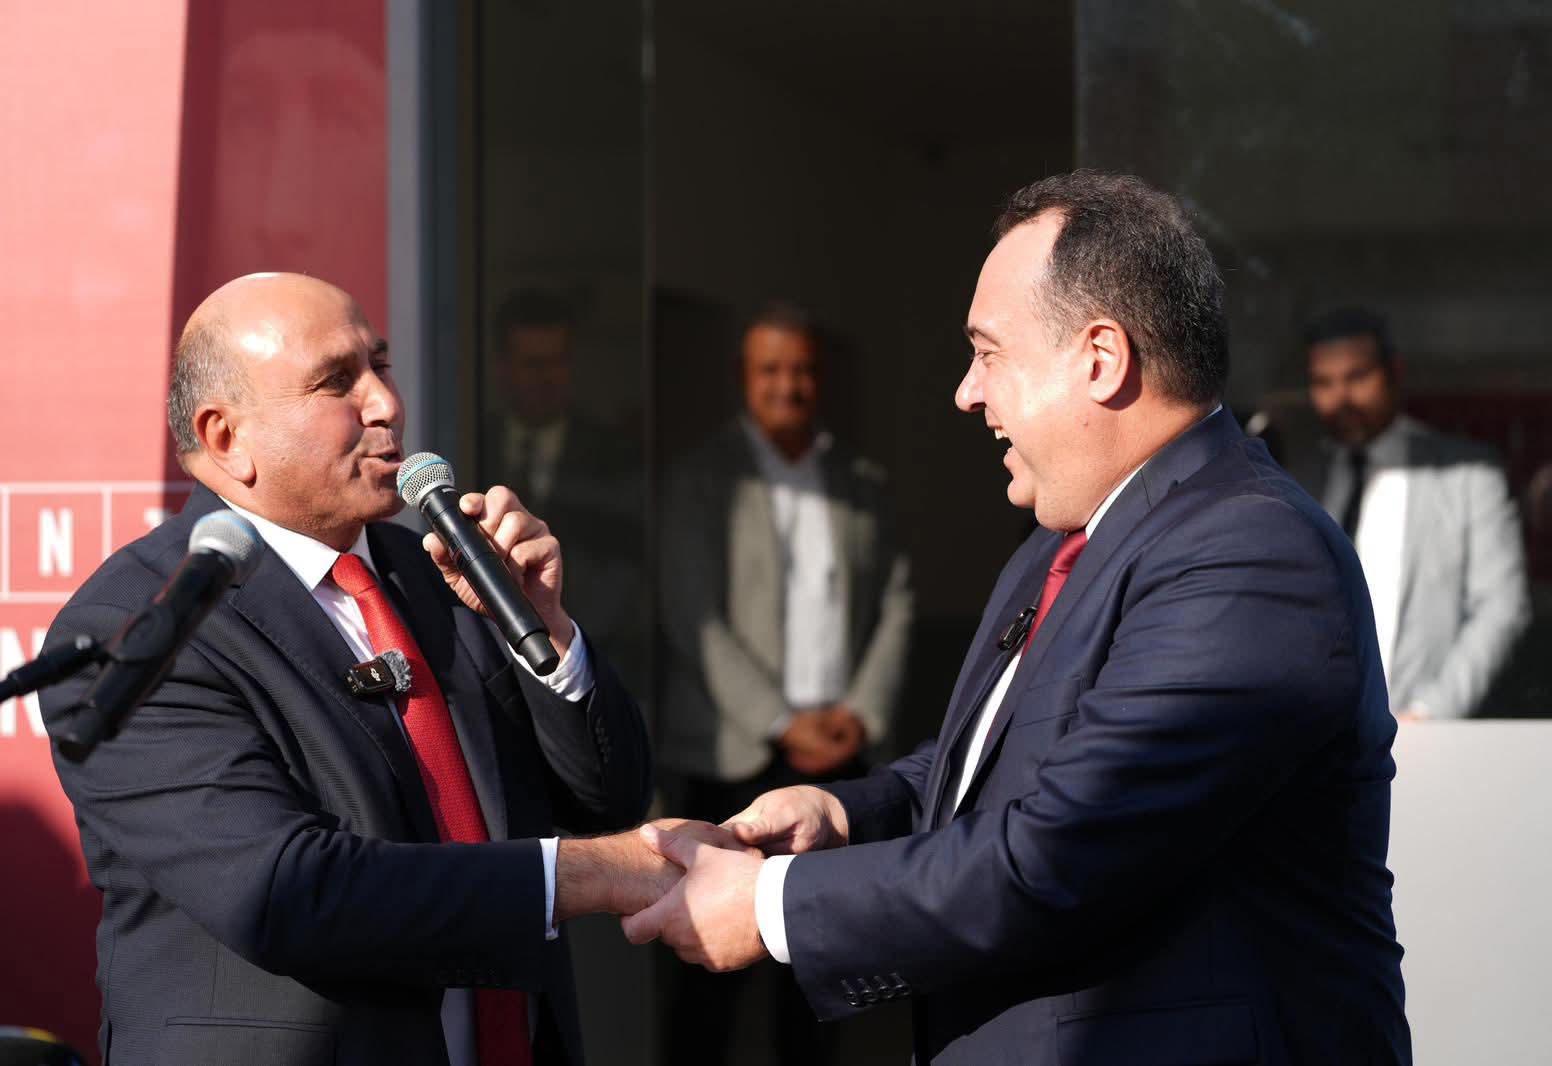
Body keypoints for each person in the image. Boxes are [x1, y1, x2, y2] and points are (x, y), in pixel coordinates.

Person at [624, 172, 1413, 1065]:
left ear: (1100, 359)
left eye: (989, 352)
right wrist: (843, 815)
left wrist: (772, 906)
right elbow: (999, 768)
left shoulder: (1251, 553)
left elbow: (1057, 851)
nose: (967, 393)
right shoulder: (1066, 537)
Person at [40, 273, 682, 1066]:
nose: (386, 404)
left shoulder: (443, 572)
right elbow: (286, 892)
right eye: (336, 382)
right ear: (226, 437)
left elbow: (606, 796)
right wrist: (589, 876)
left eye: (380, 366)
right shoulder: (139, 626)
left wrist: (548, 631)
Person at [656, 303, 914, 1065]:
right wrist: (779, 720)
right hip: (734, 755)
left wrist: (862, 715)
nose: (788, 385)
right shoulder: (700, 479)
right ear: (744, 377)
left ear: (820, 377)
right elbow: (693, 616)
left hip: (838, 754)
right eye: (770, 369)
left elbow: (896, 600)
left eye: (801, 370)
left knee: (818, 965)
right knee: (710, 969)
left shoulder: (861, 482)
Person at [1299, 306, 1531, 719]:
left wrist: (1431, 711)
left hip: (1427, 730)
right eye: (1324, 383)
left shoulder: (1466, 474)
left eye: (1357, 377)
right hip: (1317, 733)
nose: (1341, 398)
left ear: (1394, 373)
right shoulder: (1300, 478)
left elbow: (1501, 607)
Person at [482, 288, 645, 682]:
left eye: (557, 362)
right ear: (503, 367)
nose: (546, 378)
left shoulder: (616, 456)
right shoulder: (473, 443)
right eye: (532, 364)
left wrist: (565, 640)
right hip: (489, 662)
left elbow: (627, 576)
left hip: (585, 660)